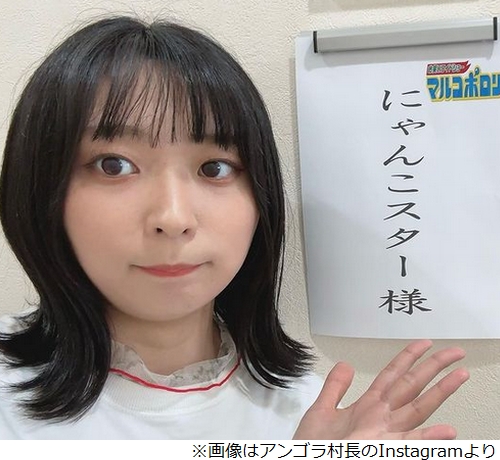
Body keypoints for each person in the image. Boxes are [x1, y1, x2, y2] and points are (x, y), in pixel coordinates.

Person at [0, 16, 468, 440]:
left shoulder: (311, 416)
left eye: (215, 168)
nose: (173, 219)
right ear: (42, 189)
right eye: (114, 165)